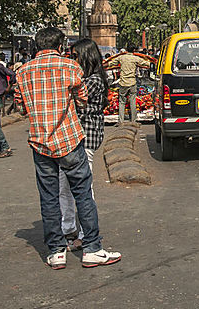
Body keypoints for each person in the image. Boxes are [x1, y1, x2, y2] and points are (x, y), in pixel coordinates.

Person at [13, 27, 121, 270]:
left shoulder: (23, 71)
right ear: (60, 46)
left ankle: (56, 251)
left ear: (36, 46)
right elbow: (82, 99)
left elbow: (20, 106)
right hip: (70, 139)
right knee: (82, 193)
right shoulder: (70, 68)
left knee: (49, 197)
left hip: (40, 142)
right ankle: (92, 248)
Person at [58, 38, 109, 252]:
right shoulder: (87, 77)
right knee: (65, 186)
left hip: (86, 136)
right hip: (74, 137)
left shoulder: (93, 81)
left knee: (83, 188)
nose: (73, 60)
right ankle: (68, 228)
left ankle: (85, 234)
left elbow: (71, 95)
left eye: (75, 56)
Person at [106, 44, 140, 124]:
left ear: (126, 49)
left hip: (123, 82)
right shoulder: (135, 58)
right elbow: (146, 63)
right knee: (132, 101)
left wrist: (102, 65)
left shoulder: (121, 57)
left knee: (121, 102)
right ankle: (133, 121)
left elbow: (111, 63)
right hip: (132, 82)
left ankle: (121, 121)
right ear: (134, 50)